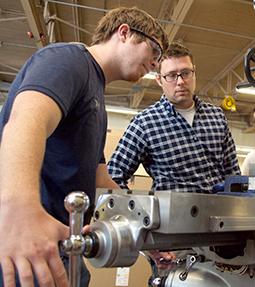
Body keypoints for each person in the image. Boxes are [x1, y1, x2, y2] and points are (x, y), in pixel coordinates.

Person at [0, 7, 168, 287]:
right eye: (154, 51)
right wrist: (20, 211)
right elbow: (24, 123)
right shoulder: (68, 60)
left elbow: (98, 178)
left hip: (60, 244)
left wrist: (147, 232)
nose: (155, 64)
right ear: (124, 32)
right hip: (28, 245)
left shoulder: (95, 94)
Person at [108, 42, 240, 193]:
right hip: (171, 215)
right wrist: (143, 210)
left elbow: (234, 175)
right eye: (171, 75)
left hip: (218, 213)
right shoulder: (145, 123)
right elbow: (114, 175)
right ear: (159, 79)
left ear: (194, 72)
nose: (181, 82)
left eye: (185, 73)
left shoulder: (216, 117)